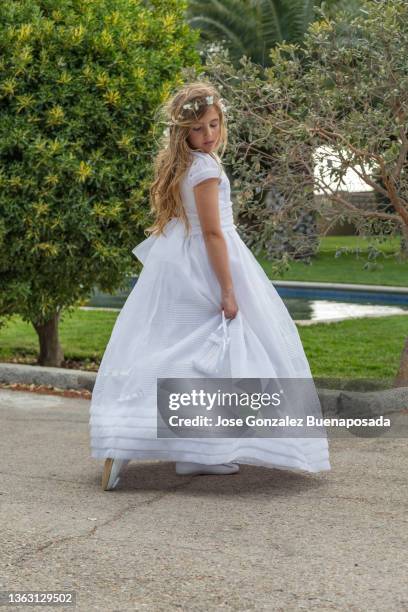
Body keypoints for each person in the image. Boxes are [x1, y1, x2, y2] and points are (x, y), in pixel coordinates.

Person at [89, 81, 331, 491]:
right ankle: (136, 438)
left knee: (185, 348)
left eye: (214, 124)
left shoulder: (183, 165)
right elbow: (214, 234)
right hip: (207, 265)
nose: (209, 135)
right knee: (218, 350)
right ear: (183, 131)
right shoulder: (205, 168)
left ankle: (192, 453)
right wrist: (229, 289)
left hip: (179, 262)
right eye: (199, 128)